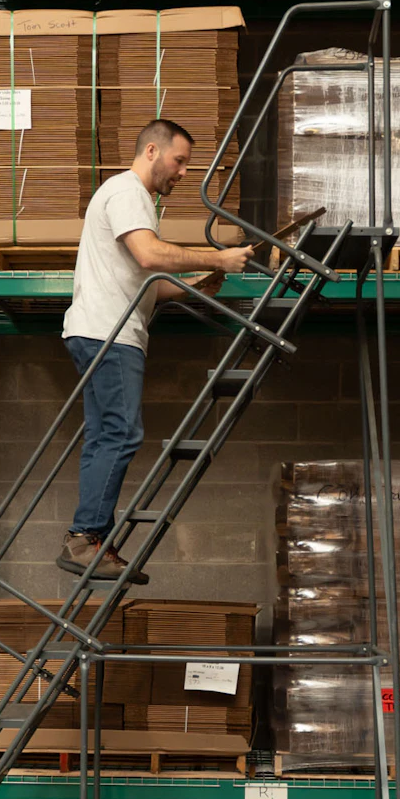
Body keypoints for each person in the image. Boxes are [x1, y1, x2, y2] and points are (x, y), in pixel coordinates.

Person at [57, 118, 252, 583]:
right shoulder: (128, 193)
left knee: (105, 436)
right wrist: (218, 256)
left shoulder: (130, 198)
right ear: (151, 151)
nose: (184, 173)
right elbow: (148, 255)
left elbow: (148, 285)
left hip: (101, 329)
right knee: (122, 434)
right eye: (179, 161)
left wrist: (193, 287)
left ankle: (89, 538)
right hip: (110, 333)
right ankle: (85, 539)